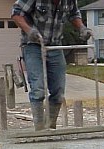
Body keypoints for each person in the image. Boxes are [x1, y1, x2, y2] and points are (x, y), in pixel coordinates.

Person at [11, 0, 92, 130]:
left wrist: (82, 28)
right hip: (33, 45)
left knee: (58, 91)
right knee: (38, 89)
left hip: (55, 46)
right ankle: (39, 128)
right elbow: (16, 13)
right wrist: (29, 30)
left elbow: (74, 15)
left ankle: (50, 126)